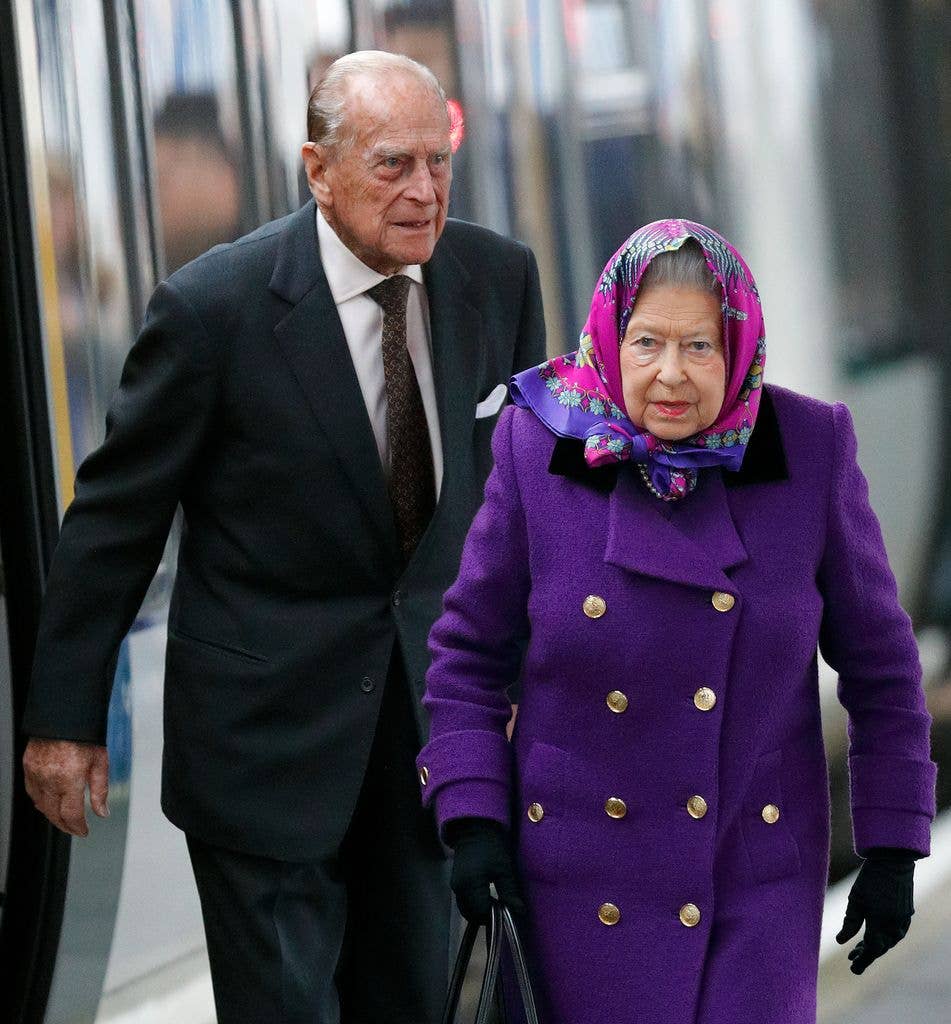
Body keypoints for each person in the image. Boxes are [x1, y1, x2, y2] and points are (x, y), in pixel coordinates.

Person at [22, 51, 545, 1023]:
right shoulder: (213, 310)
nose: (424, 191)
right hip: (262, 749)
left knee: (412, 1004)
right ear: (318, 169)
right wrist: (65, 716)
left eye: (439, 162)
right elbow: (116, 518)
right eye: (393, 165)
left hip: (431, 739)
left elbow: (529, 501)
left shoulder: (496, 278)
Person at [416, 220, 936, 1024]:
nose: (669, 375)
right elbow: (466, 657)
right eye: (645, 342)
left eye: (698, 347)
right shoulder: (538, 446)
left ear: (738, 347)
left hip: (750, 887)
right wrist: (472, 816)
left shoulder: (808, 446)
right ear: (607, 338)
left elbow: (881, 668)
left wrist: (894, 842)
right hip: (579, 884)